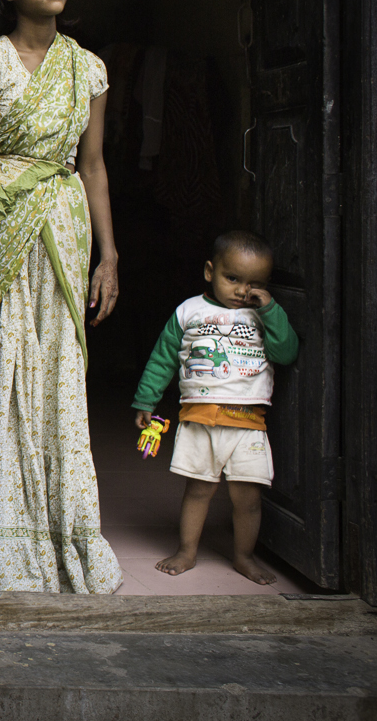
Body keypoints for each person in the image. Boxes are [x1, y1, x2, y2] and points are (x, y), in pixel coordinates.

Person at [0, 0, 123, 594]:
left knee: (56, 372)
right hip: (0, 231)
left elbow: (95, 167)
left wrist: (110, 257)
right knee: (0, 369)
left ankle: (63, 534)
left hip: (66, 227)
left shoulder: (90, 69)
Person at [132, 230, 298, 585]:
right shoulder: (189, 311)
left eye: (254, 283)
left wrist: (268, 309)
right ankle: (187, 551)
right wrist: (147, 399)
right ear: (210, 271)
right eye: (232, 278)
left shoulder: (263, 315)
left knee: (248, 499)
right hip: (199, 419)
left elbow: (286, 353)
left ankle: (243, 556)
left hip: (248, 423)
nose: (242, 290)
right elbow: (162, 360)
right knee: (199, 490)